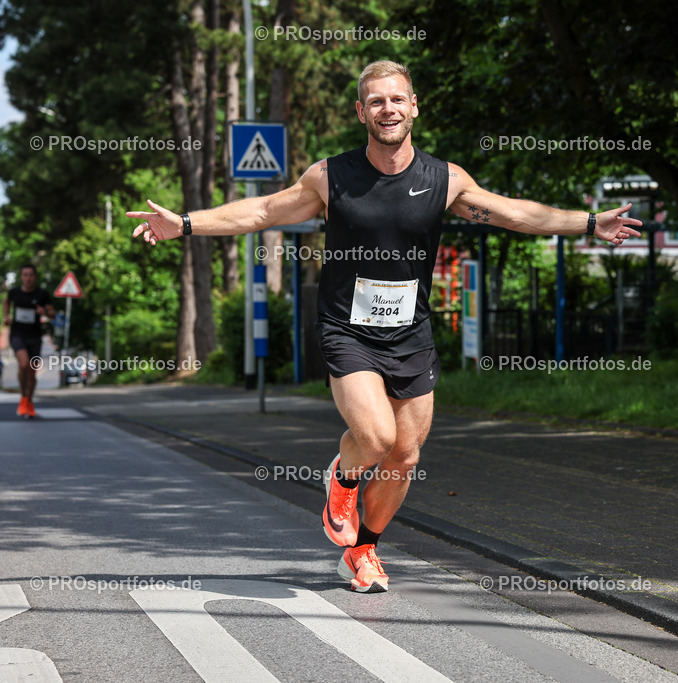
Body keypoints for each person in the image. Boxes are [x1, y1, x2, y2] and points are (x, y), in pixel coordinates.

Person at [128, 59, 642, 593]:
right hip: (345, 328)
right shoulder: (332, 177)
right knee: (375, 436)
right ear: (361, 112)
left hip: (410, 332)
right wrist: (184, 223)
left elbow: (514, 213)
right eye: (376, 101)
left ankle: (364, 550)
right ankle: (342, 478)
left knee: (406, 454)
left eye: (397, 99)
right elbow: (261, 212)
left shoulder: (445, 180)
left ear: (413, 106)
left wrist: (587, 222)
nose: (388, 109)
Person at [3, 264, 55, 418]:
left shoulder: (42, 294)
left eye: (31, 275)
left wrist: (44, 311)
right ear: (21, 277)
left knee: (32, 373)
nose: (28, 278)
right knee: (24, 364)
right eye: (25, 275)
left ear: (35, 277)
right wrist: (6, 316)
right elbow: (6, 302)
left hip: (35, 336)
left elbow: (52, 313)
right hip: (17, 335)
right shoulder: (15, 293)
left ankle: (29, 401)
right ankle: (23, 398)